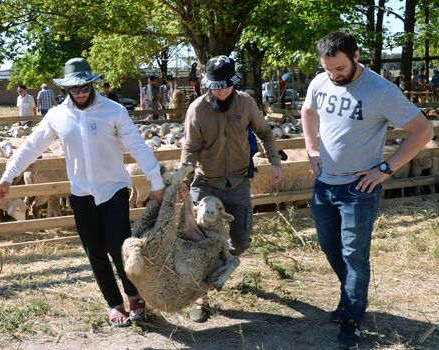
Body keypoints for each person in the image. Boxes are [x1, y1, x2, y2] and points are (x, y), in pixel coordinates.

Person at [0, 57, 165, 328]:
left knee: (118, 246)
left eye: (85, 86)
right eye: (75, 89)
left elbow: (138, 146)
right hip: (82, 193)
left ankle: (135, 295)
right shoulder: (57, 116)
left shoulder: (114, 111)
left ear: (92, 83)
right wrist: (8, 175)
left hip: (114, 189)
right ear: (66, 89)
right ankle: (114, 303)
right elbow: (31, 147)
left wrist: (156, 182)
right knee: (94, 251)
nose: (81, 93)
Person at [301, 31, 433, 350]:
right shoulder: (321, 82)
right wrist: (311, 149)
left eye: (339, 69)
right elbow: (308, 111)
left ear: (356, 56)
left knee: (354, 254)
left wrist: (386, 169)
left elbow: (423, 130)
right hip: (324, 184)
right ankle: (351, 299)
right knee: (330, 247)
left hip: (359, 187)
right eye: (327, 68)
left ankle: (351, 320)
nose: (332, 75)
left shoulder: (381, 91)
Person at [180, 55, 283, 323]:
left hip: (237, 182)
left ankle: (224, 259)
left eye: (226, 86)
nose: (221, 91)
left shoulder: (246, 103)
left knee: (241, 240)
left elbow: (265, 132)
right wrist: (183, 176)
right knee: (199, 241)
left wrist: (274, 161)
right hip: (206, 182)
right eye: (216, 86)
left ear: (234, 83)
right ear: (207, 84)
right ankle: (200, 297)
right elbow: (190, 148)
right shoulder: (197, 109)